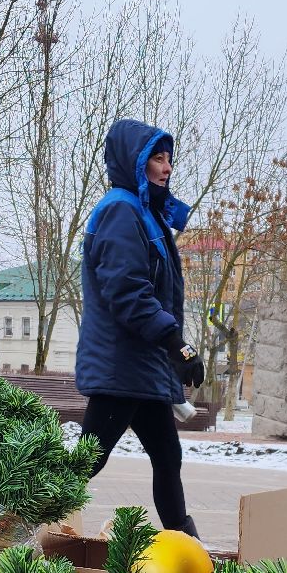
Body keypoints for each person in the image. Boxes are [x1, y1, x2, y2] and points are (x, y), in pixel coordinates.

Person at [75, 118, 205, 536]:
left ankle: (189, 552)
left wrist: (171, 350)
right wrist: (176, 345)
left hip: (141, 370)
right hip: (121, 369)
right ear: (135, 162)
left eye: (169, 159)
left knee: (168, 456)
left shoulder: (144, 213)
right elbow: (127, 291)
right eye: (157, 158)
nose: (166, 168)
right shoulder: (120, 209)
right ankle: (2, 528)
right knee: (85, 464)